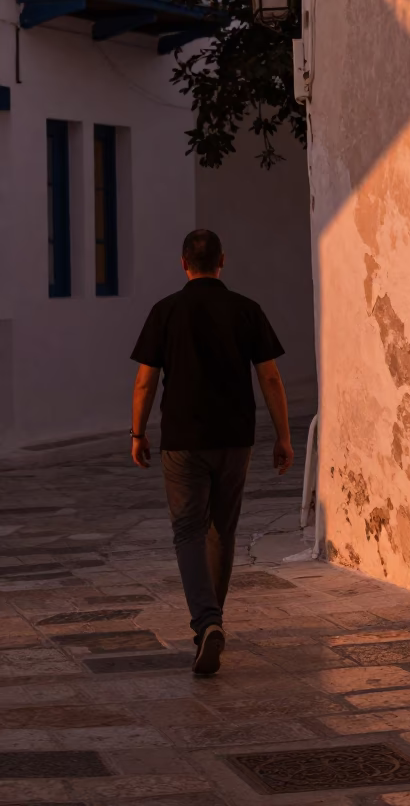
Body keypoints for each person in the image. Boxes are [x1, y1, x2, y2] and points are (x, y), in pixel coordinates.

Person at [129, 228, 294, 676]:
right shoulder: (246, 310)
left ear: (183, 263)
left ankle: (207, 622)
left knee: (187, 531)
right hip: (234, 438)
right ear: (223, 260)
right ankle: (211, 621)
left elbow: (145, 381)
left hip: (182, 440)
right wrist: (284, 436)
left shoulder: (165, 311)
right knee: (222, 530)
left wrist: (137, 432)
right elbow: (272, 378)